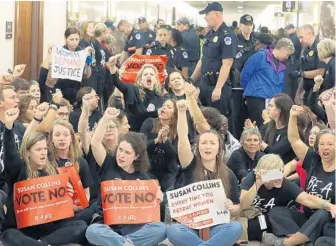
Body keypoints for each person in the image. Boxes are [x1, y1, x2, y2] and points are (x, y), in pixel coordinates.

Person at [2, 107, 87, 245]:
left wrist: (66, 197)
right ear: (28, 153)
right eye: (38, 149)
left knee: (80, 225)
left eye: (44, 149)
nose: (43, 153)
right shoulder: (19, 169)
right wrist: (9, 127)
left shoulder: (52, 170)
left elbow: (61, 211)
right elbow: (10, 154)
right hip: (22, 229)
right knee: (8, 235)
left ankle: (43, 244)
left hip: (47, 230)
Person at [166, 99, 243, 246]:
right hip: (190, 227)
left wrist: (232, 207)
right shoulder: (190, 164)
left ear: (219, 149)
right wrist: (182, 113)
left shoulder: (228, 174)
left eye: (212, 143)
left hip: (216, 227)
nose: (208, 147)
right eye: (204, 143)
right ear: (198, 147)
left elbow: (237, 207)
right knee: (172, 230)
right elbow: (182, 139)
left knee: (236, 227)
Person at [262, 105, 336, 246]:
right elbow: (294, 140)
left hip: (330, 222)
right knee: (277, 212)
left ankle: (286, 244)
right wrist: (292, 116)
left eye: (330, 144)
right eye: (322, 144)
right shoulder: (314, 160)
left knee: (323, 212)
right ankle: (303, 240)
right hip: (308, 217)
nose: (325, 147)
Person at [85, 131, 167, 246]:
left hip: (133, 228)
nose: (121, 155)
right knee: (92, 231)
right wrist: (107, 117)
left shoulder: (143, 177)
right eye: (120, 150)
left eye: (127, 152)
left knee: (161, 229)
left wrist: (160, 198)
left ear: (136, 156)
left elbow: (153, 212)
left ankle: (123, 243)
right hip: (107, 226)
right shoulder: (109, 164)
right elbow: (94, 143)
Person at [240, 154, 336, 243]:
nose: (280, 177)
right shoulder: (253, 177)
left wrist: (329, 205)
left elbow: (306, 199)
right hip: (256, 216)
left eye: (281, 171)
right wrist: (257, 184)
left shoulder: (284, 184)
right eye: (274, 174)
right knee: (250, 228)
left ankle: (291, 241)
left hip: (273, 220)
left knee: (273, 214)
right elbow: (244, 205)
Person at [191, 2, 237, 120]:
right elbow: (203, 59)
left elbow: (227, 64)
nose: (205, 18)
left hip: (217, 86)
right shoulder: (209, 34)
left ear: (217, 14)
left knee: (218, 121)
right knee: (202, 119)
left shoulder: (227, 35)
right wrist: (191, 80)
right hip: (205, 83)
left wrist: (218, 88)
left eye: (207, 14)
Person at [241, 38, 294, 127]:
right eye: (287, 54)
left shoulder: (282, 65)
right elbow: (245, 75)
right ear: (282, 49)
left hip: (272, 101)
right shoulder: (260, 56)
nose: (287, 57)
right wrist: (250, 90)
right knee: (259, 126)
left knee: (271, 126)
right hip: (257, 98)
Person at [107, 56, 163, 132]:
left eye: (151, 74)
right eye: (145, 74)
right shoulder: (131, 89)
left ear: (156, 80)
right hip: (131, 133)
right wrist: (112, 66)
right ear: (140, 79)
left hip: (149, 135)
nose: (148, 76)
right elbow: (116, 82)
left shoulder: (159, 98)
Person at [140, 99, 179, 191]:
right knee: (151, 190)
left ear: (174, 114)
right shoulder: (149, 122)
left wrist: (165, 140)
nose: (164, 107)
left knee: (170, 190)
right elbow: (141, 147)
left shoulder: (178, 129)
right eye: (164, 105)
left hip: (168, 171)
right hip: (149, 169)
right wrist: (156, 140)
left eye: (169, 107)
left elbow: (175, 155)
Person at [231, 14, 256, 139]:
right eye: (246, 25)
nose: (248, 27)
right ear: (240, 25)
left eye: (250, 25)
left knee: (251, 116)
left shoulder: (255, 42)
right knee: (237, 116)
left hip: (252, 86)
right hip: (237, 86)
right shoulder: (234, 41)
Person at [55, 27, 92, 105]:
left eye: (77, 39)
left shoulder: (82, 52)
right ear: (66, 39)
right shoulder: (60, 52)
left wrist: (88, 59)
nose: (74, 42)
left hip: (78, 89)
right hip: (62, 88)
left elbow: (87, 75)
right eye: (71, 39)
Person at [294, 24, 327, 105]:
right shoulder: (306, 50)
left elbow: (320, 72)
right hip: (307, 92)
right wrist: (298, 93)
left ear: (309, 34)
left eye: (301, 37)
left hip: (318, 94)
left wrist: (301, 74)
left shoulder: (320, 48)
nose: (300, 40)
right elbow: (305, 75)